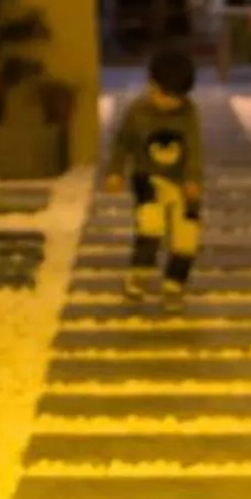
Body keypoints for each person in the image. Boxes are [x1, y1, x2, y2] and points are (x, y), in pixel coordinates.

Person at [105, 43, 203, 308]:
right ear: (151, 84)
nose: (168, 102)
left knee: (186, 236)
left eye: (175, 98)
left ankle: (174, 283)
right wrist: (115, 172)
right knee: (150, 224)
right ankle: (139, 275)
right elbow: (121, 143)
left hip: (181, 181)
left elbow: (194, 147)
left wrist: (193, 180)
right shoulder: (138, 112)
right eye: (163, 94)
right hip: (147, 176)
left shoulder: (188, 113)